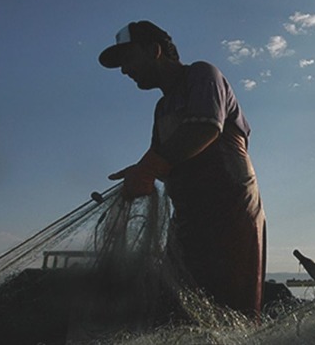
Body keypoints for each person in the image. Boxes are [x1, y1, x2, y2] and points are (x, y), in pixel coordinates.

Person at [99, 20, 266, 320]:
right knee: (179, 311)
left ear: (155, 50)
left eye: (128, 59)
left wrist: (148, 168)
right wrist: (137, 176)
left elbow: (205, 128)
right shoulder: (162, 108)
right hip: (189, 222)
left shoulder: (203, 75)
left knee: (231, 314)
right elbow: (161, 160)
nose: (124, 70)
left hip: (231, 218)